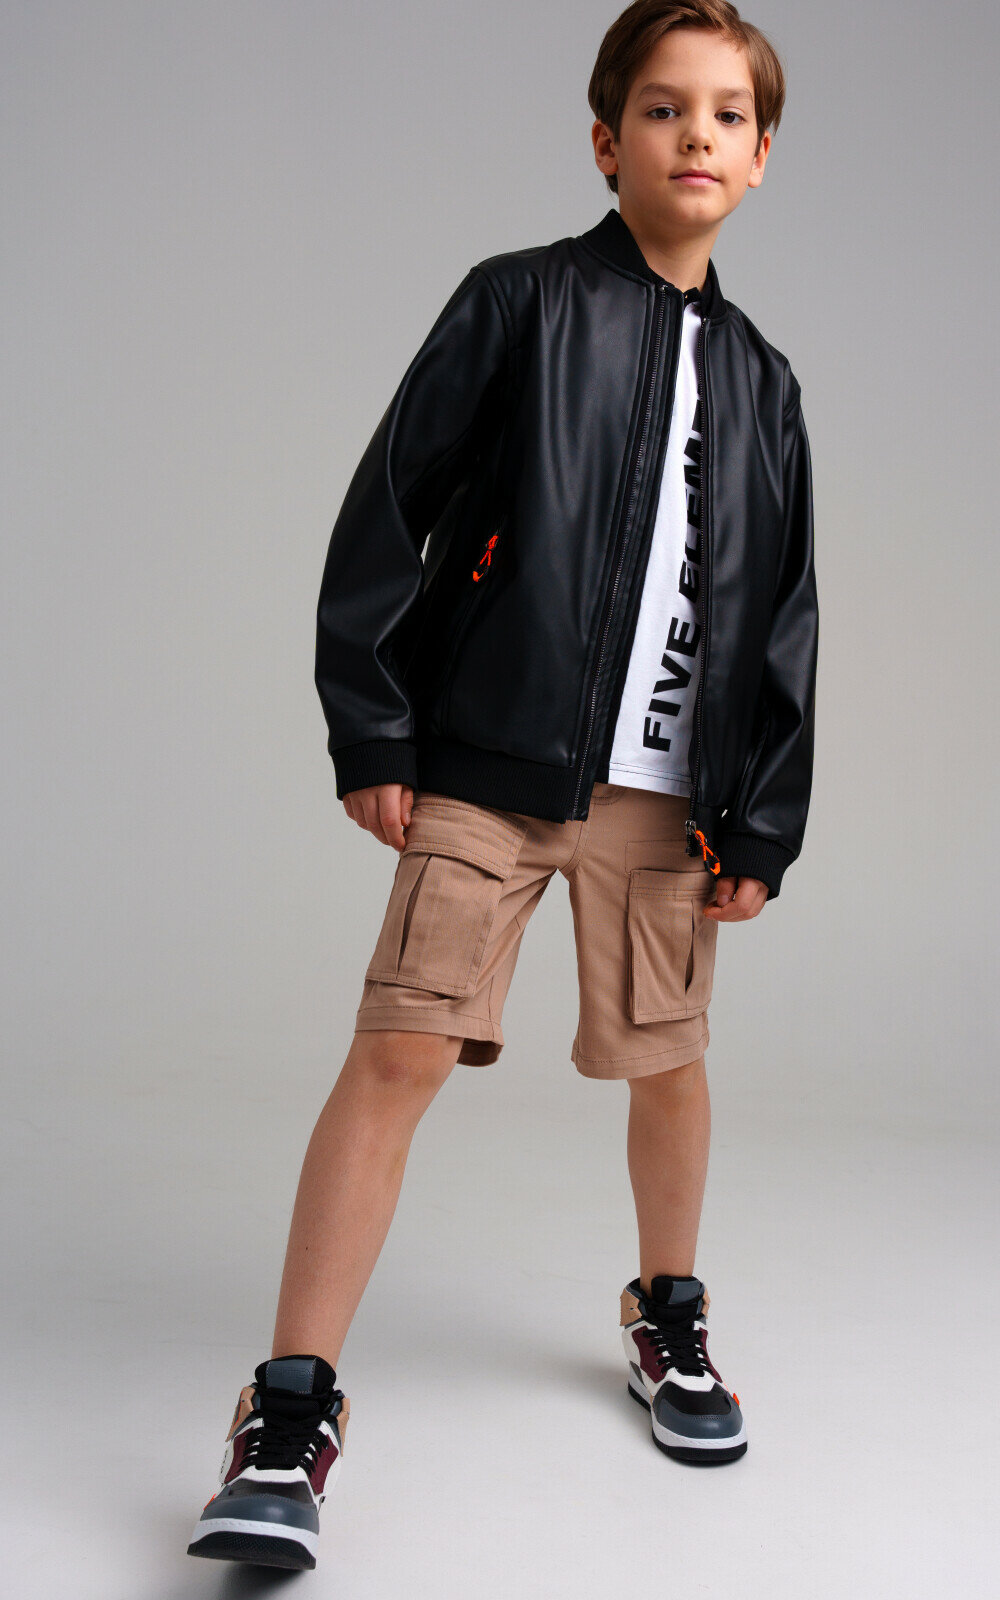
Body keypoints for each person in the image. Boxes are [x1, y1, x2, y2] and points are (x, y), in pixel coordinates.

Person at [188, 0, 817, 1571]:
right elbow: (386, 504)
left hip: (669, 799)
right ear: (606, 141)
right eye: (661, 108)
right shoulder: (522, 303)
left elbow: (785, 617)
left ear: (761, 157)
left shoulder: (764, 385)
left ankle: (668, 1316)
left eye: (726, 114)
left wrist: (763, 811)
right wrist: (375, 727)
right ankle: (288, 1405)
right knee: (400, 1049)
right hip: (490, 761)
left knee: (671, 1062)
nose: (694, 135)